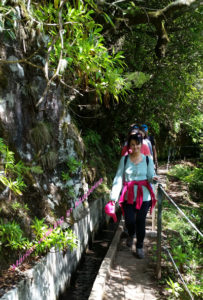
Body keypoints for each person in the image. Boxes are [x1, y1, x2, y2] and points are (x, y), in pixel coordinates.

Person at [110, 133, 158, 259]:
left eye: (137, 144)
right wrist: (113, 198)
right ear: (129, 145)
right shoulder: (124, 159)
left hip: (144, 196)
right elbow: (118, 178)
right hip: (128, 196)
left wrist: (154, 179)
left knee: (140, 221)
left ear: (141, 145)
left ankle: (139, 246)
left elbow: (150, 177)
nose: (135, 147)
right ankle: (132, 234)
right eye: (132, 144)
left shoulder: (148, 160)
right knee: (130, 221)